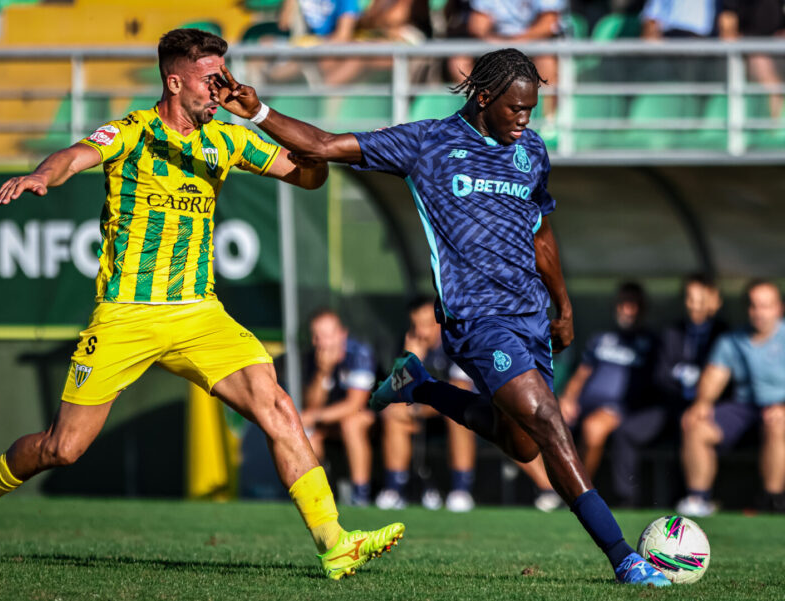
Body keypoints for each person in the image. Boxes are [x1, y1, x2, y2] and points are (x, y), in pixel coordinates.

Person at [213, 47, 670, 587]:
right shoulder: (428, 142)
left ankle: (421, 386)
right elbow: (324, 145)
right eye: (516, 109)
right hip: (476, 320)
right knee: (549, 421)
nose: (525, 120)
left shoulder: (531, 151)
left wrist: (563, 307)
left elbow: (541, 233)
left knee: (523, 442)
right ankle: (624, 557)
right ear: (483, 97)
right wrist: (260, 113)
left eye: (531, 109)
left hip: (529, 315)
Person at [0, 29, 402, 580]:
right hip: (126, 313)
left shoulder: (226, 137)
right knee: (62, 448)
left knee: (278, 407)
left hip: (199, 313)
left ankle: (334, 542)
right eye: (209, 80)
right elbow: (76, 155)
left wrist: (265, 118)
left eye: (224, 77)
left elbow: (309, 177)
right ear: (175, 82)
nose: (220, 89)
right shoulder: (133, 131)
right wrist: (40, 175)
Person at [679, 279, 785, 516]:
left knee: (775, 421)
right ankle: (698, 501)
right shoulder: (731, 340)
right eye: (754, 306)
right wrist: (702, 403)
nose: (760, 313)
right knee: (695, 423)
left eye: (766, 306)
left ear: (779, 308)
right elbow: (713, 377)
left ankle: (773, 501)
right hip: (745, 409)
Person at [376, 296, 479, 512]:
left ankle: (461, 491)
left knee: (458, 414)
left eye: (427, 325)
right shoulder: (408, 343)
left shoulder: (458, 343)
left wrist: (415, 410)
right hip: (422, 413)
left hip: (464, 411)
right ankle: (394, 491)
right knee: (392, 416)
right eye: (416, 325)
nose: (421, 332)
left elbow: (460, 391)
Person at [557, 282, 656, 499]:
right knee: (545, 420)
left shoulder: (650, 342)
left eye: (633, 305)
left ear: (643, 309)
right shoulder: (600, 338)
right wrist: (568, 399)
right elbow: (582, 373)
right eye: (622, 304)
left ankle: (578, 495)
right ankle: (548, 489)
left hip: (618, 408)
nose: (627, 310)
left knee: (593, 428)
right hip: (584, 403)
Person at [652, 274, 729, 508]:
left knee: (693, 423)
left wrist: (701, 394)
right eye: (690, 298)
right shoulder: (672, 332)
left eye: (700, 299)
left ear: (714, 301)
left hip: (715, 407)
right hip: (675, 404)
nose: (694, 305)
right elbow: (661, 375)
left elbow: (727, 379)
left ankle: (699, 497)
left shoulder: (725, 335)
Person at [300, 309, 378, 506]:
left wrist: (315, 417)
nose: (320, 342)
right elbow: (311, 404)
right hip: (331, 420)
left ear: (342, 334)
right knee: (309, 435)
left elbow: (355, 405)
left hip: (370, 418)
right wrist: (323, 373)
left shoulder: (359, 354)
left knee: (351, 423)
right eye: (316, 336)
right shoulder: (313, 358)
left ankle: (361, 496)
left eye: (326, 336)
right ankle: (319, 500)